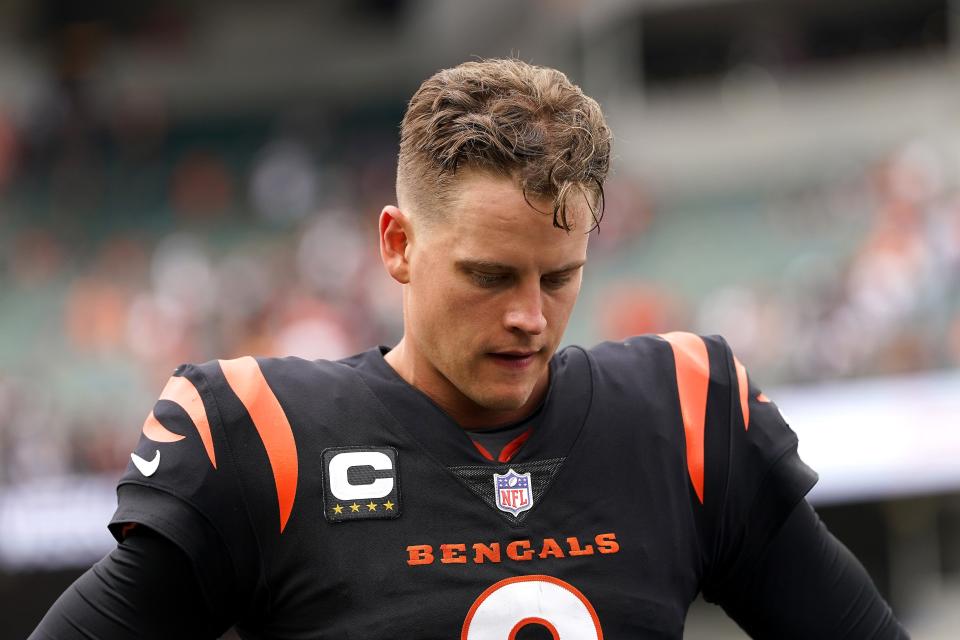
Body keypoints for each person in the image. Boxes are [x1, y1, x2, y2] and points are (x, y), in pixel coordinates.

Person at [32, 58, 908, 639]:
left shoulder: (683, 414)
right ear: (398, 246)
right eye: (490, 276)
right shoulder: (267, 438)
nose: (530, 315)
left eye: (558, 277)